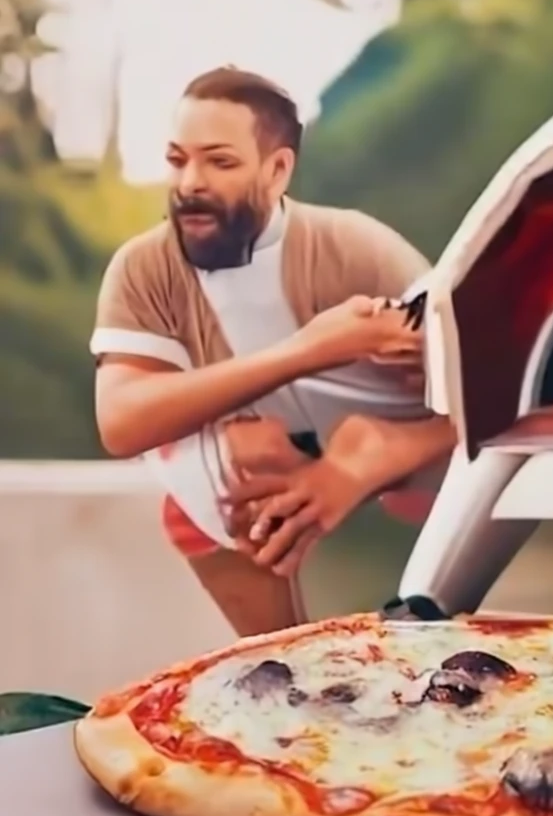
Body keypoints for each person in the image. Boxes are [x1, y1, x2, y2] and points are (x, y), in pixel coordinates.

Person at [90, 66, 455, 638]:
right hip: (262, 489)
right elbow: (121, 421)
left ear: (278, 169)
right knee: (230, 466)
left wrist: (367, 462)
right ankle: (283, 659)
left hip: (403, 477)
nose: (190, 183)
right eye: (177, 159)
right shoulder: (146, 267)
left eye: (220, 161)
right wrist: (306, 351)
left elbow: (492, 384)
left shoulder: (352, 244)